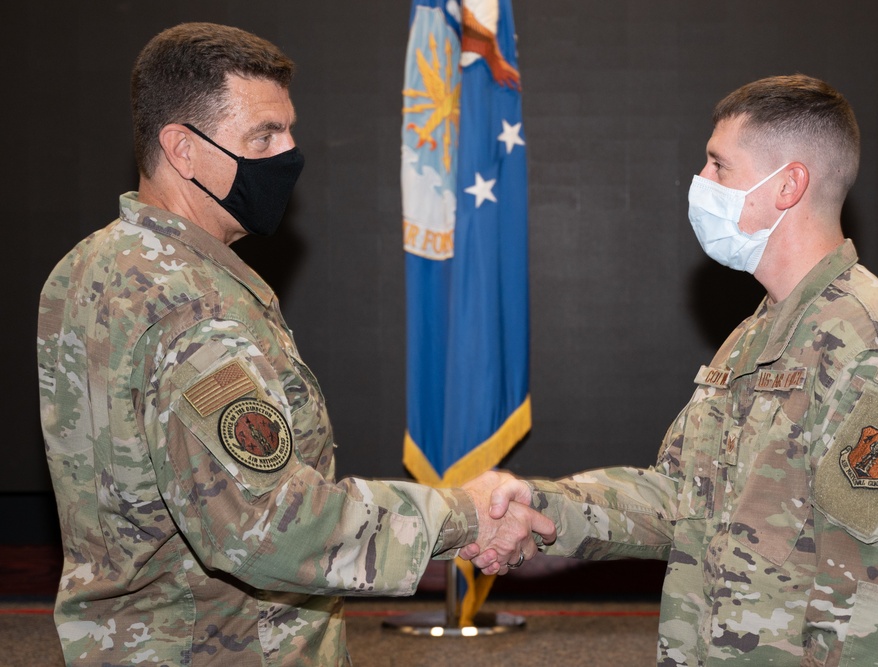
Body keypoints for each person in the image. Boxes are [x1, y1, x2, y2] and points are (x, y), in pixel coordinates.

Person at [36, 22, 552, 667]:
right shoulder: (189, 303)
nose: (289, 154)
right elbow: (269, 528)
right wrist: (466, 514)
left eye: (288, 130)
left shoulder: (91, 265)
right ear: (182, 149)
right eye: (264, 135)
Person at [464, 75, 878, 665]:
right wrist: (538, 505)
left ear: (788, 185)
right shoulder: (754, 337)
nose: (700, 183)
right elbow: (680, 497)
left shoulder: (877, 350)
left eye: (719, 166)